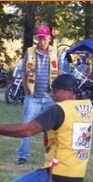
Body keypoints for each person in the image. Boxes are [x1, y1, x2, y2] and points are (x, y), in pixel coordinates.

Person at [16, 25, 63, 165]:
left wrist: (58, 94)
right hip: (33, 97)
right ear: (37, 38)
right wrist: (26, 92)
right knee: (27, 126)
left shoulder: (56, 52)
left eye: (45, 38)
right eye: (40, 38)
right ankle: (23, 156)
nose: (42, 41)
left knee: (53, 128)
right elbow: (24, 72)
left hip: (50, 97)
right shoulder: (29, 52)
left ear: (49, 38)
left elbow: (60, 73)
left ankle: (53, 156)